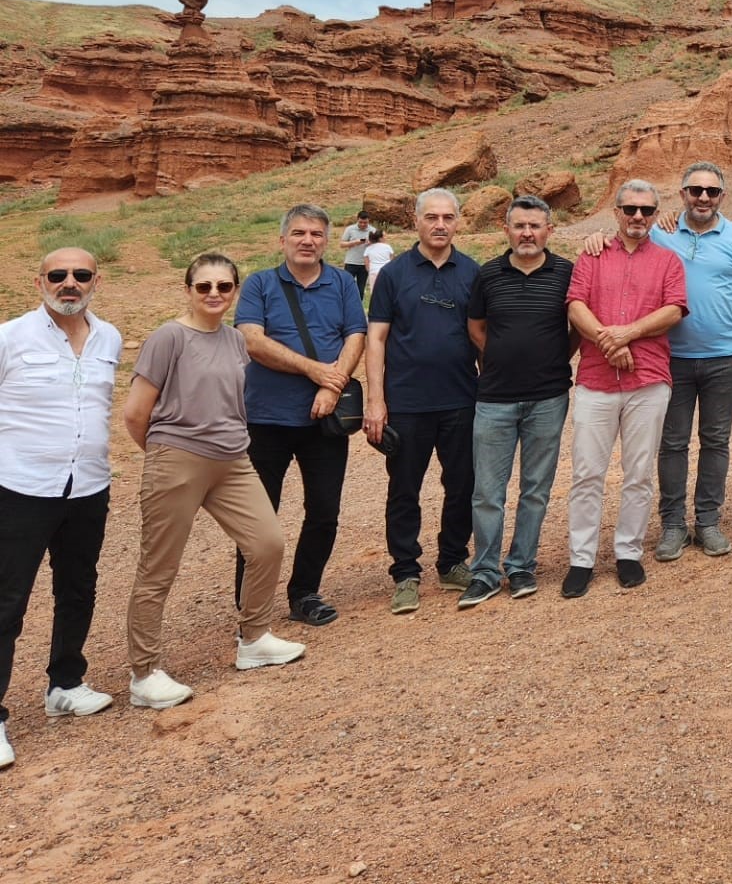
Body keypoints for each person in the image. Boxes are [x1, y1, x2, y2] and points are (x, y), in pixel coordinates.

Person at [124, 253, 305, 710]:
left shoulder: (235, 340)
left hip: (232, 460)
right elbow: (135, 413)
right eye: (204, 286)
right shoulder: (169, 337)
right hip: (178, 458)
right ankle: (144, 673)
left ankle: (255, 637)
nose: (214, 295)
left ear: (235, 292)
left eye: (224, 287)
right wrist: (166, 457)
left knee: (267, 543)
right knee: (158, 569)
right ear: (188, 290)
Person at [0, 249, 120, 770]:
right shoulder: (10, 336)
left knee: (78, 586)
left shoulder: (109, 337)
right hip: (20, 486)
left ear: (96, 280)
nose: (69, 283)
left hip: (88, 485)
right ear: (40, 281)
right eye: (58, 275)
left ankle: (65, 683)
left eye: (80, 275)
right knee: (7, 603)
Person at [234, 204, 367, 629]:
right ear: (282, 240)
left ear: (327, 241)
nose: (307, 240)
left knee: (324, 510)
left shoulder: (343, 283)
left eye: (315, 234)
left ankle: (304, 592)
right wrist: (315, 371)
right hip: (266, 418)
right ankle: (251, 603)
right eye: (298, 233)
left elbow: (356, 335)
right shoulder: (260, 284)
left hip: (324, 422)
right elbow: (252, 341)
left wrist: (332, 386)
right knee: (258, 513)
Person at [564, 181, 687, 597]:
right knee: (587, 472)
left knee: (638, 471)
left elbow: (674, 309)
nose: (638, 217)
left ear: (655, 215)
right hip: (596, 380)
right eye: (630, 209)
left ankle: (628, 552)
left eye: (646, 211)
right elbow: (575, 304)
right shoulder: (592, 254)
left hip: (648, 379)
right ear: (616, 212)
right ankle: (581, 558)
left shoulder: (668, 260)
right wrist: (606, 342)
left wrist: (625, 335)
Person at [366, 188, 481, 614]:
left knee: (463, 485)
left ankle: (453, 561)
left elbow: (481, 336)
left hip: (461, 399)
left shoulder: (472, 272)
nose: (439, 225)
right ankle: (405, 573)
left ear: (458, 222)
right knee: (403, 489)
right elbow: (376, 338)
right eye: (431, 217)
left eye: (448, 218)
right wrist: (376, 400)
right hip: (407, 403)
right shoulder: (394, 274)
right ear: (415, 221)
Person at [461, 196, 575, 605]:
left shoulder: (566, 272)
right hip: (494, 397)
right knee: (488, 491)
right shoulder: (488, 274)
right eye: (520, 225)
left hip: (548, 396)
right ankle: (486, 571)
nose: (528, 233)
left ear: (550, 230)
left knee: (535, 489)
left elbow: (576, 325)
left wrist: (555, 357)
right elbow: (476, 326)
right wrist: (499, 356)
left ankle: (522, 566)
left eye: (536, 225)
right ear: (505, 229)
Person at [650, 161, 732, 562]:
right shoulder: (661, 234)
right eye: (695, 190)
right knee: (673, 442)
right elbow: (624, 243)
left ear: (721, 197)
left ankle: (708, 520)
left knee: (715, 440)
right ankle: (673, 525)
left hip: (723, 357)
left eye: (711, 192)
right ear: (682, 194)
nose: (703, 197)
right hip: (673, 358)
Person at [340, 210, 374, 299]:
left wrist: (371, 243)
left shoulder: (373, 231)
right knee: (346, 286)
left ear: (369, 220)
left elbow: (378, 245)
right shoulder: (350, 229)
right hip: (351, 262)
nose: (363, 224)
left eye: (365, 223)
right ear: (357, 220)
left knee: (361, 289)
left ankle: (358, 309)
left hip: (364, 264)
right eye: (361, 222)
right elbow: (342, 244)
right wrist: (355, 242)